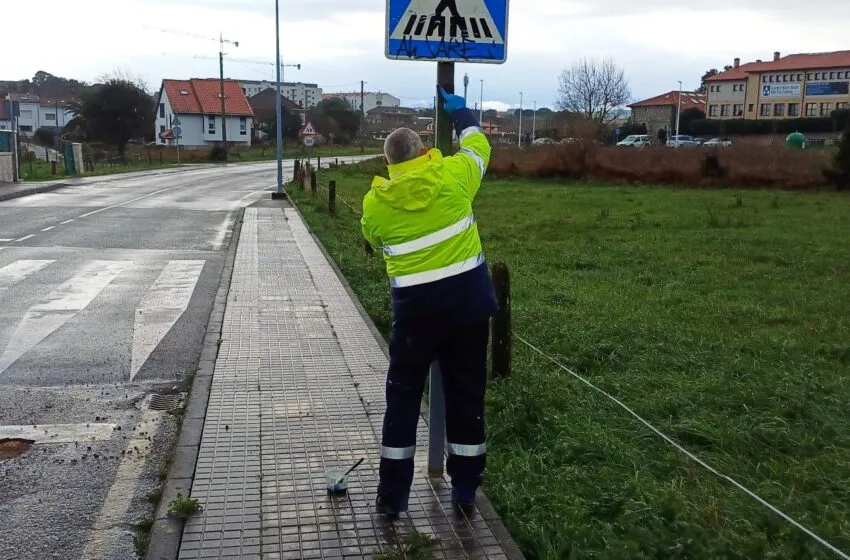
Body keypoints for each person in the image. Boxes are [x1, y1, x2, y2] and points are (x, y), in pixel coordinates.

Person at [361, 86, 496, 518]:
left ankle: (392, 497)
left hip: (416, 317)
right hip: (468, 310)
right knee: (467, 395)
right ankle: (465, 490)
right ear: (423, 152)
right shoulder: (454, 175)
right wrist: (463, 114)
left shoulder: (376, 203)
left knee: (402, 400)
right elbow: (478, 147)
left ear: (388, 162)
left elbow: (371, 236)